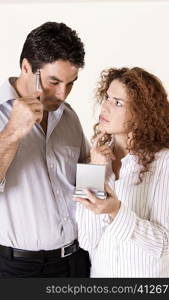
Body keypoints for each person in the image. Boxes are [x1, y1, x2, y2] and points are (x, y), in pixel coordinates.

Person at [0, 21, 91, 277]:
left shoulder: (68, 116)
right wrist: (12, 132)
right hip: (20, 269)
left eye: (71, 83)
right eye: (54, 81)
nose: (63, 94)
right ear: (26, 67)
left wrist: (101, 161)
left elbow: (86, 186)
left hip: (77, 261)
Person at [75, 67, 169, 277]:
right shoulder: (93, 161)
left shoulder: (164, 161)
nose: (105, 106)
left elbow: (161, 244)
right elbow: (87, 240)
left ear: (140, 114)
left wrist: (116, 211)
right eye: (107, 98)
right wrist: (94, 170)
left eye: (118, 102)